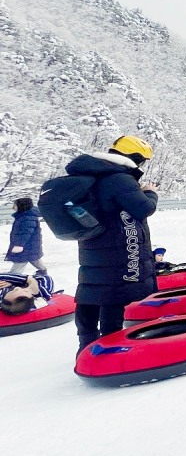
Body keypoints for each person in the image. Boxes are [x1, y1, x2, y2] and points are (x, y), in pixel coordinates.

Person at [64, 135, 159, 354]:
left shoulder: (89, 174)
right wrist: (150, 193)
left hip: (91, 244)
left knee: (91, 291)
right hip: (118, 245)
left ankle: (85, 346)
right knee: (114, 295)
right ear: (135, 157)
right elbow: (144, 208)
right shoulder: (119, 178)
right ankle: (110, 346)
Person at [5, 198, 45, 276]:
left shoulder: (27, 218)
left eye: (15, 205)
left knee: (19, 264)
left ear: (21, 206)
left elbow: (25, 233)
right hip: (29, 245)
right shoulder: (24, 216)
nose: (13, 207)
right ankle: (43, 272)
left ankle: (13, 278)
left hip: (26, 246)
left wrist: (19, 245)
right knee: (34, 259)